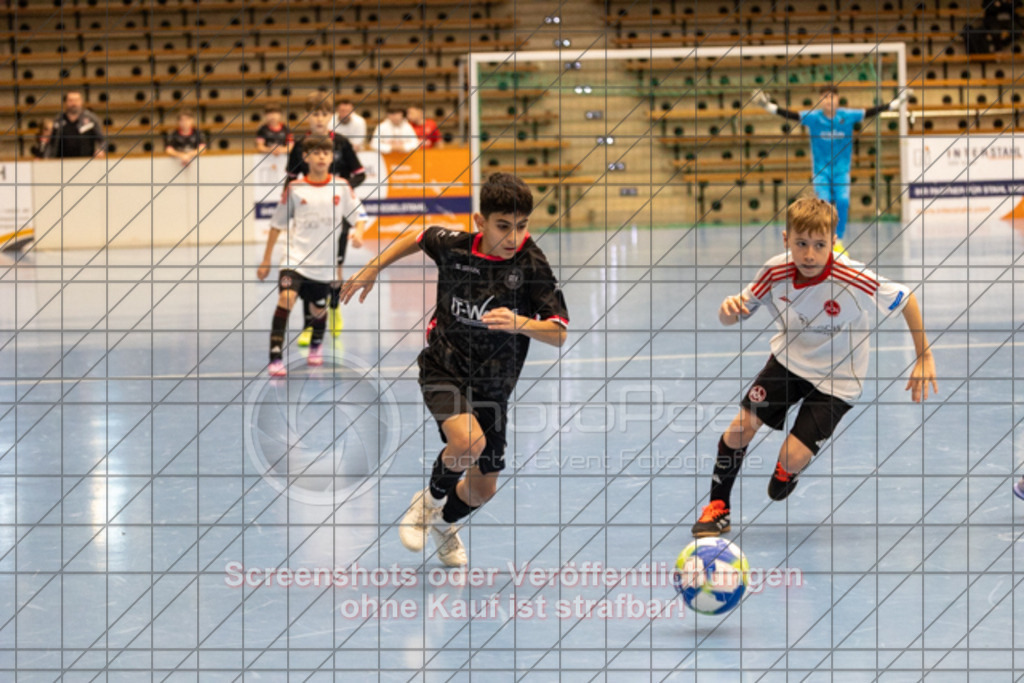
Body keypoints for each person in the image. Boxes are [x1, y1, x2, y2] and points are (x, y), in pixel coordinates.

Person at [341, 173, 569, 566]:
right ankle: (428, 503)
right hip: (443, 367)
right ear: (481, 222)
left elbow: (559, 332)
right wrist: (373, 267)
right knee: (468, 442)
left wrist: (520, 323)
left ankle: (444, 523)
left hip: (493, 388)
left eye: (522, 226)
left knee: (482, 491)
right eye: (503, 226)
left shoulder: (532, 265)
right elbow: (418, 237)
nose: (514, 237)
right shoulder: (455, 247)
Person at [691, 197, 937, 538]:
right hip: (790, 360)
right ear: (786, 239)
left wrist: (924, 356)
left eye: (820, 245)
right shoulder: (775, 271)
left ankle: (786, 470)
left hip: (839, 379)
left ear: (833, 241)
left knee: (791, 457)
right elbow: (733, 316)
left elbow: (906, 298)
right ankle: (718, 507)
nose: (809, 254)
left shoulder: (849, 274)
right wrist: (727, 310)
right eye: (801, 243)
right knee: (740, 428)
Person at [257, 136, 368, 376]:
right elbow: (276, 224)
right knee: (286, 298)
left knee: (318, 309)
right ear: (306, 157)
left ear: (331, 158)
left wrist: (358, 234)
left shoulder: (341, 186)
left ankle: (316, 346)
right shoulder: (295, 189)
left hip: (324, 264)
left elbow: (359, 216)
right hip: (294, 259)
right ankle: (275, 358)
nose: (321, 157)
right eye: (315, 153)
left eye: (325, 153)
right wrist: (266, 260)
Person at [754, 85, 908, 254]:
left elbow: (872, 111)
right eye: (825, 97)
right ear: (820, 100)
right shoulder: (814, 118)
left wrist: (898, 102)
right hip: (821, 171)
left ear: (837, 99)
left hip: (841, 171)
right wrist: (767, 106)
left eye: (832, 97)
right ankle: (824, 240)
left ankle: (838, 241)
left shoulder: (847, 116)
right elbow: (790, 115)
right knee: (823, 204)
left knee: (843, 201)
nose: (829, 100)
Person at [286, 90, 366, 346]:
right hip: (308, 219)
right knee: (306, 272)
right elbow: (290, 180)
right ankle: (308, 325)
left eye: (323, 113)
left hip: (335, 216)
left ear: (330, 116)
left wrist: (340, 188)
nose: (319, 118)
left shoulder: (341, 143)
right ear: (307, 116)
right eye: (314, 114)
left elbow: (360, 173)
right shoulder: (300, 146)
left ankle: (334, 308)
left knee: (334, 269)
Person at [48, 91, 105, 159]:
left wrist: (101, 150)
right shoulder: (58, 120)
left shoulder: (91, 119)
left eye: (76, 100)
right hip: (62, 161)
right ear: (65, 102)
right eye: (70, 100)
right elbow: (51, 143)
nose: (74, 103)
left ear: (81, 102)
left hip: (85, 160)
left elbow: (102, 140)